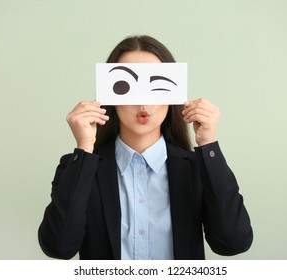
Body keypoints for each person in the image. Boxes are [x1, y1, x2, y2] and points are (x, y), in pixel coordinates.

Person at [38, 35, 253, 260]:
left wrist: (208, 145)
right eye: (125, 87)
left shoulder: (197, 169)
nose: (143, 103)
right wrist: (84, 148)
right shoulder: (79, 169)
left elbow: (233, 242)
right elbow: (58, 247)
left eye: (156, 86)